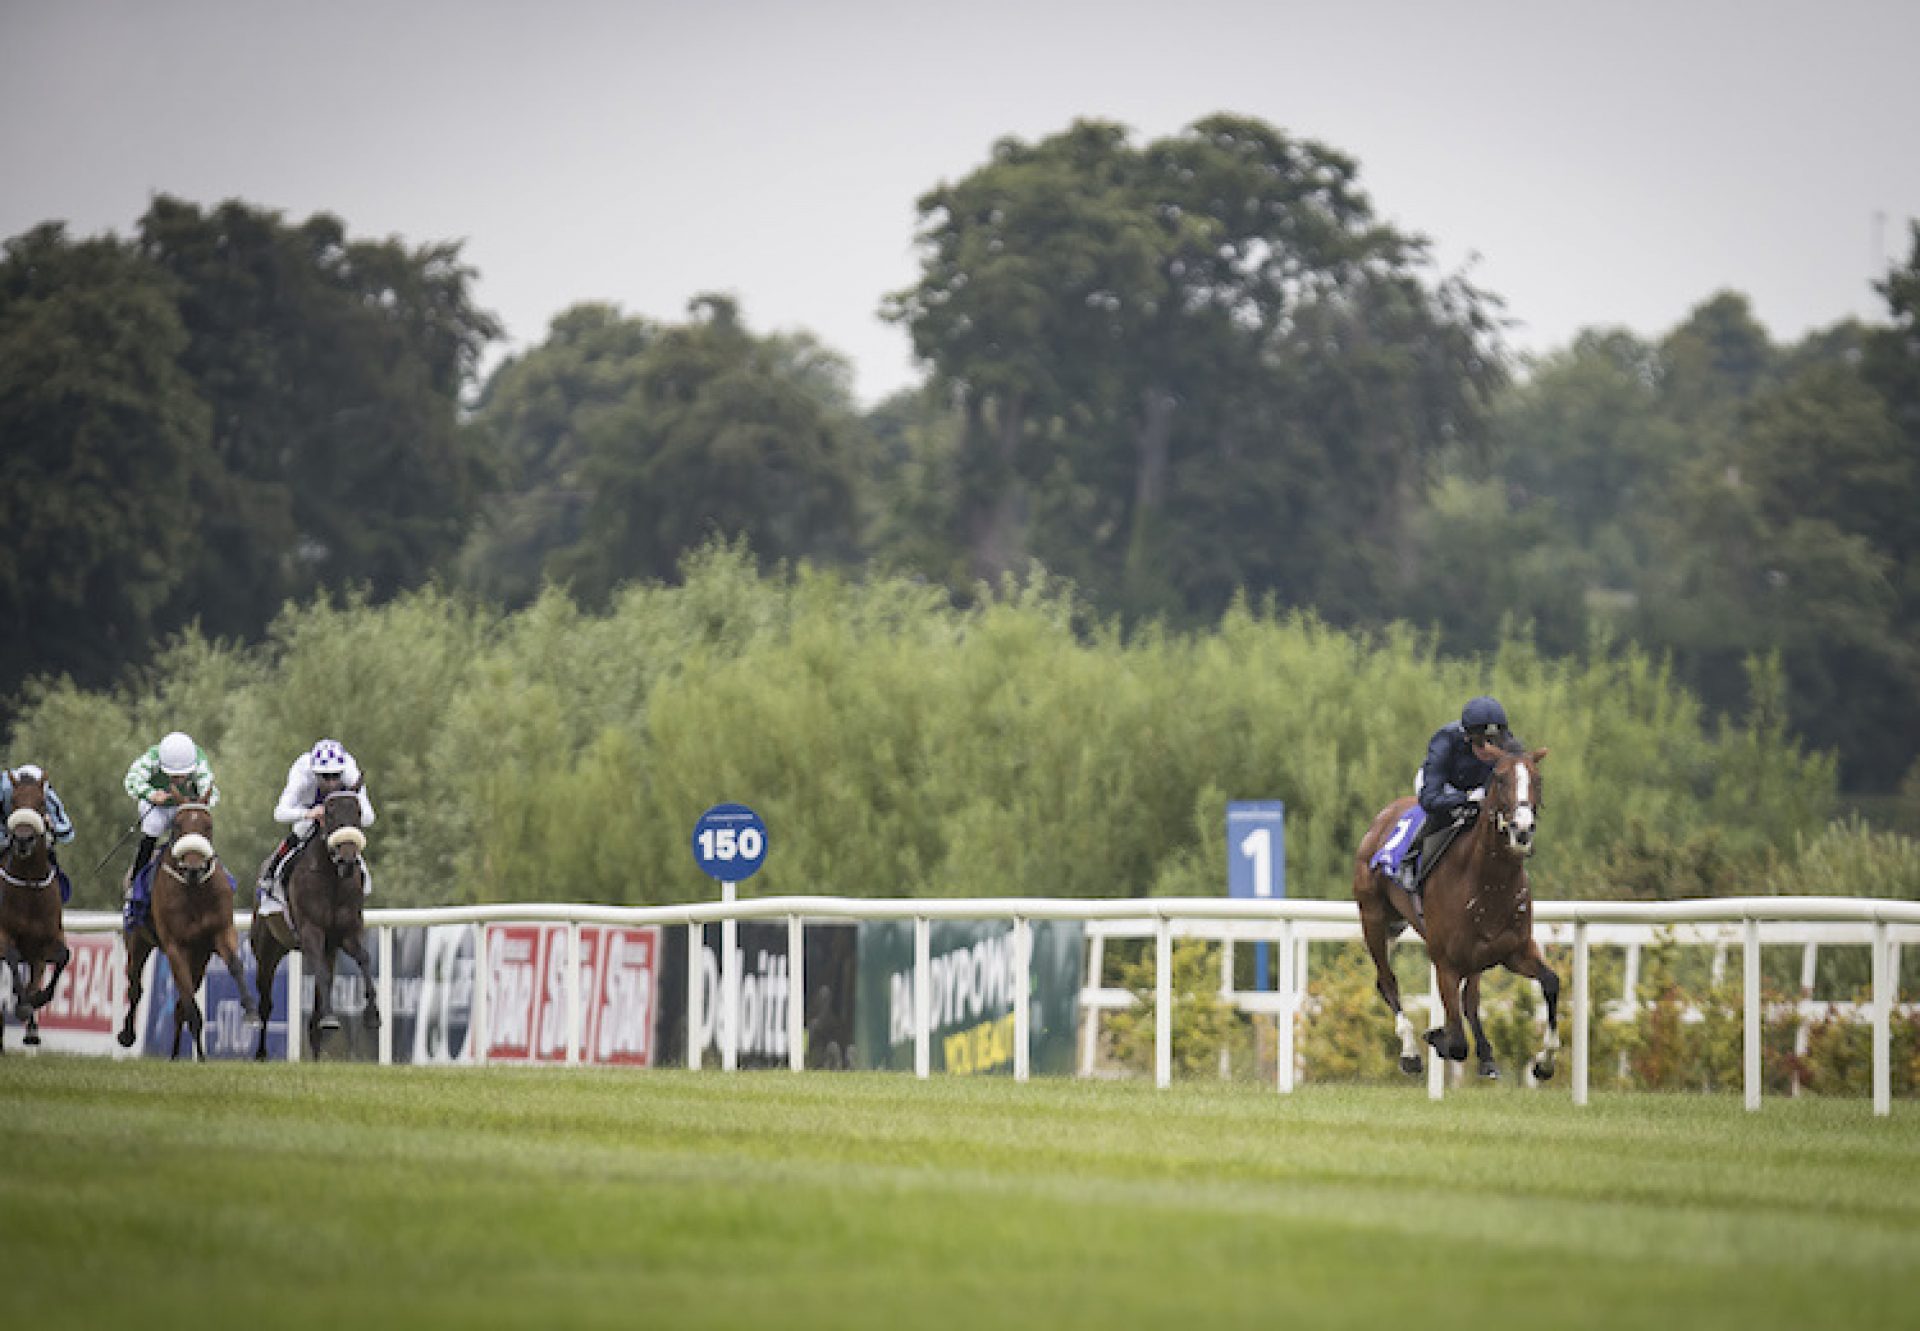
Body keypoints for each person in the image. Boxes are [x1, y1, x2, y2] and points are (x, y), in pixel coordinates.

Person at [1373, 696, 1523, 896]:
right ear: (1467, 737)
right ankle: (1408, 860)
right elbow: (1430, 799)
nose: (1487, 748)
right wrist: (1465, 800)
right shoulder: (1444, 740)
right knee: (1443, 817)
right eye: (1480, 741)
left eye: (1494, 741)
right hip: (1443, 786)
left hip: (1480, 789)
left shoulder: (1508, 744)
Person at [255, 737, 376, 918]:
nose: (331, 783)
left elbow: (369, 817)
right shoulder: (301, 773)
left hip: (338, 821)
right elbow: (280, 813)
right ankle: (269, 880)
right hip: (309, 812)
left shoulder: (351, 771)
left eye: (336, 776)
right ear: (315, 773)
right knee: (300, 832)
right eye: (325, 777)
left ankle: (361, 884)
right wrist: (308, 814)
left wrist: (349, 815)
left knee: (349, 842)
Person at [121, 730, 219, 929]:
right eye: (173, 776)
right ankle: (135, 885)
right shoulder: (151, 758)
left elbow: (211, 791)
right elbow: (131, 781)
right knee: (153, 828)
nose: (178, 779)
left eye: (183, 775)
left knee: (197, 827)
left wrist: (198, 804)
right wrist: (150, 793)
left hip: (182, 806)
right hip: (155, 805)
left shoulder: (199, 761)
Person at [0, 763, 76, 902]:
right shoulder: (3, 788)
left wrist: (51, 825)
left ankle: (59, 894)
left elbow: (67, 830)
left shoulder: (47, 793)